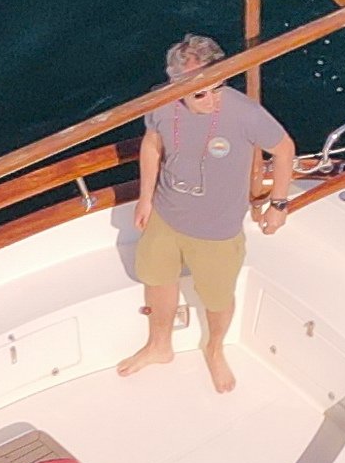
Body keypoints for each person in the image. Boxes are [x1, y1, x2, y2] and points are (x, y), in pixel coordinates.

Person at [118, 33, 299, 393]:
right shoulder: (161, 103)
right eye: (200, 93)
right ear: (176, 85)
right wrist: (145, 197)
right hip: (166, 217)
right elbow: (152, 144)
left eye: (219, 87)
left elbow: (284, 149)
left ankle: (214, 349)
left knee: (217, 298)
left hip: (218, 232)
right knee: (157, 281)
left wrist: (279, 204)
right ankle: (159, 345)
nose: (212, 100)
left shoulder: (244, 113)